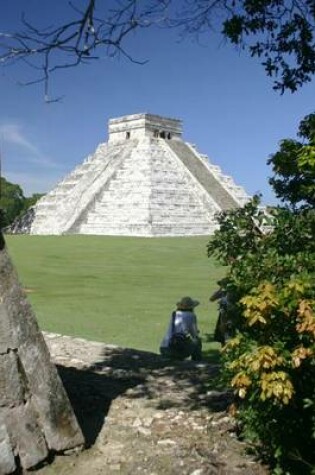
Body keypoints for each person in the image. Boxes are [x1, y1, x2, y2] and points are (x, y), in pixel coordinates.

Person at [160, 296, 202, 361]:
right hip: (178, 348)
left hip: (165, 347)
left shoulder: (174, 314)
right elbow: (194, 334)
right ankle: (197, 361)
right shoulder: (191, 315)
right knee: (198, 341)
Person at [209, 279, 233, 346]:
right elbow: (211, 299)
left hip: (230, 316)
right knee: (223, 338)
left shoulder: (232, 294)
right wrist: (220, 290)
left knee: (229, 335)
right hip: (223, 316)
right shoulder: (222, 293)